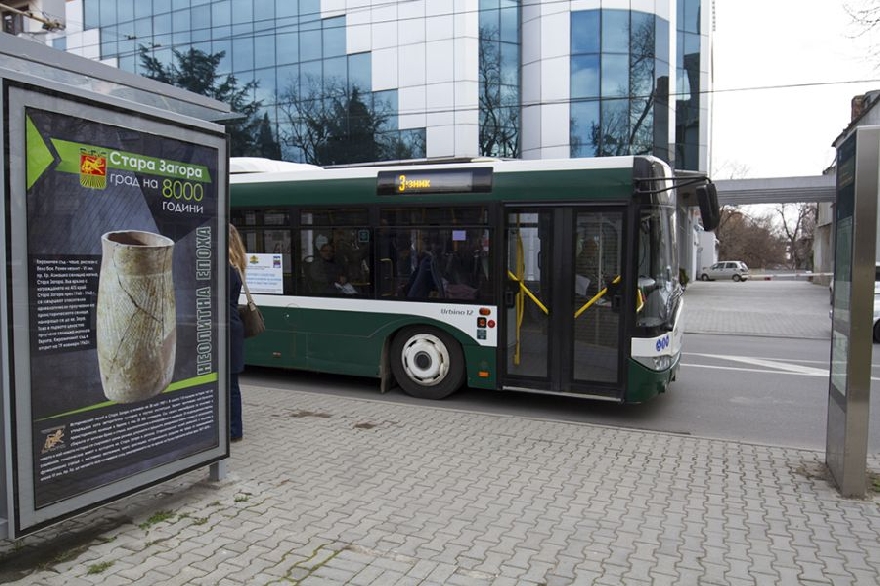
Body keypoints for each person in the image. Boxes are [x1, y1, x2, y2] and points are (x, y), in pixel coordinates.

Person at [228, 224, 246, 442]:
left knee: (230, 384)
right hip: (233, 326)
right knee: (232, 383)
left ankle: (233, 430)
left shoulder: (226, 268)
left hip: (227, 328)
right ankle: (234, 429)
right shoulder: (237, 265)